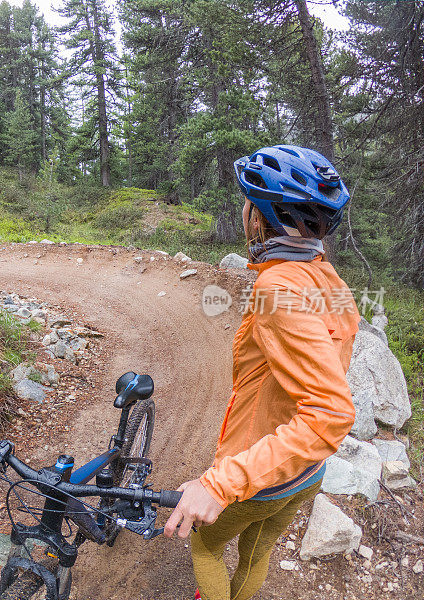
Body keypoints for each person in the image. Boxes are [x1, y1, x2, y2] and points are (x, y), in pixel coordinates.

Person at [163, 145, 362, 600]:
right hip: (307, 471)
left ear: (260, 215)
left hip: (262, 471)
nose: (245, 211)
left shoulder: (278, 286)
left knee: (205, 548)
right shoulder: (331, 281)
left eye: (247, 203)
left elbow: (331, 412)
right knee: (258, 548)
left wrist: (219, 483)